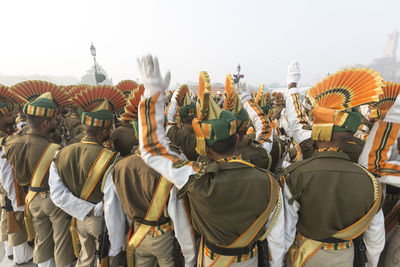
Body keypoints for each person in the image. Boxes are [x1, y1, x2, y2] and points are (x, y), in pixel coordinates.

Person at [136, 55, 285, 267]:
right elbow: (266, 130)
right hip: (249, 260)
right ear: (236, 138)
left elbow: (150, 149)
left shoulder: (194, 176)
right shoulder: (268, 180)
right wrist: (246, 99)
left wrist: (152, 95)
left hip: (211, 260)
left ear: (205, 148)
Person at [284, 68, 385, 267]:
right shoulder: (370, 178)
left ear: (319, 130)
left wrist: (292, 87)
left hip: (306, 256)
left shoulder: (297, 172)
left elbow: (286, 231)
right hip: (345, 256)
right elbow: (375, 237)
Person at [49, 86, 126, 267]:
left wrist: (82, 210)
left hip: (78, 219)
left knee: (85, 258)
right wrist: (116, 243)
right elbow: (112, 203)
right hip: (101, 221)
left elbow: (57, 194)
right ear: (105, 131)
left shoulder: (61, 154)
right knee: (104, 260)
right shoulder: (110, 159)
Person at [2, 91, 74, 267]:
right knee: (61, 240)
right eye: (54, 120)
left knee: (42, 240)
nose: (57, 122)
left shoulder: (11, 143)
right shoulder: (54, 149)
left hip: (31, 198)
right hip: (52, 198)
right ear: (45, 123)